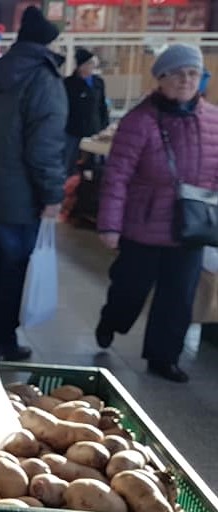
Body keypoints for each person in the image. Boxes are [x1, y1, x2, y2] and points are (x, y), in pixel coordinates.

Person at [96, 44, 218, 383]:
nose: (185, 80)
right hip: (143, 225)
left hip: (190, 228)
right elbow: (117, 176)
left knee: (178, 297)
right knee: (129, 290)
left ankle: (164, 357)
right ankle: (112, 320)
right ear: (160, 79)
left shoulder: (213, 121)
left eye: (193, 73)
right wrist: (109, 225)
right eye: (177, 73)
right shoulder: (139, 121)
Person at [0, 6, 68, 361]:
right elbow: (44, 146)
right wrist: (52, 193)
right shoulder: (43, 79)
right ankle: (3, 340)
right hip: (21, 193)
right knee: (13, 268)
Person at [64, 48, 109, 176]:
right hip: (73, 130)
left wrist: (104, 125)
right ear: (80, 66)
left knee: (94, 163)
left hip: (94, 128)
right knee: (71, 162)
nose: (91, 67)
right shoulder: (69, 84)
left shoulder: (98, 82)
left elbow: (102, 105)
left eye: (92, 63)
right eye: (88, 63)